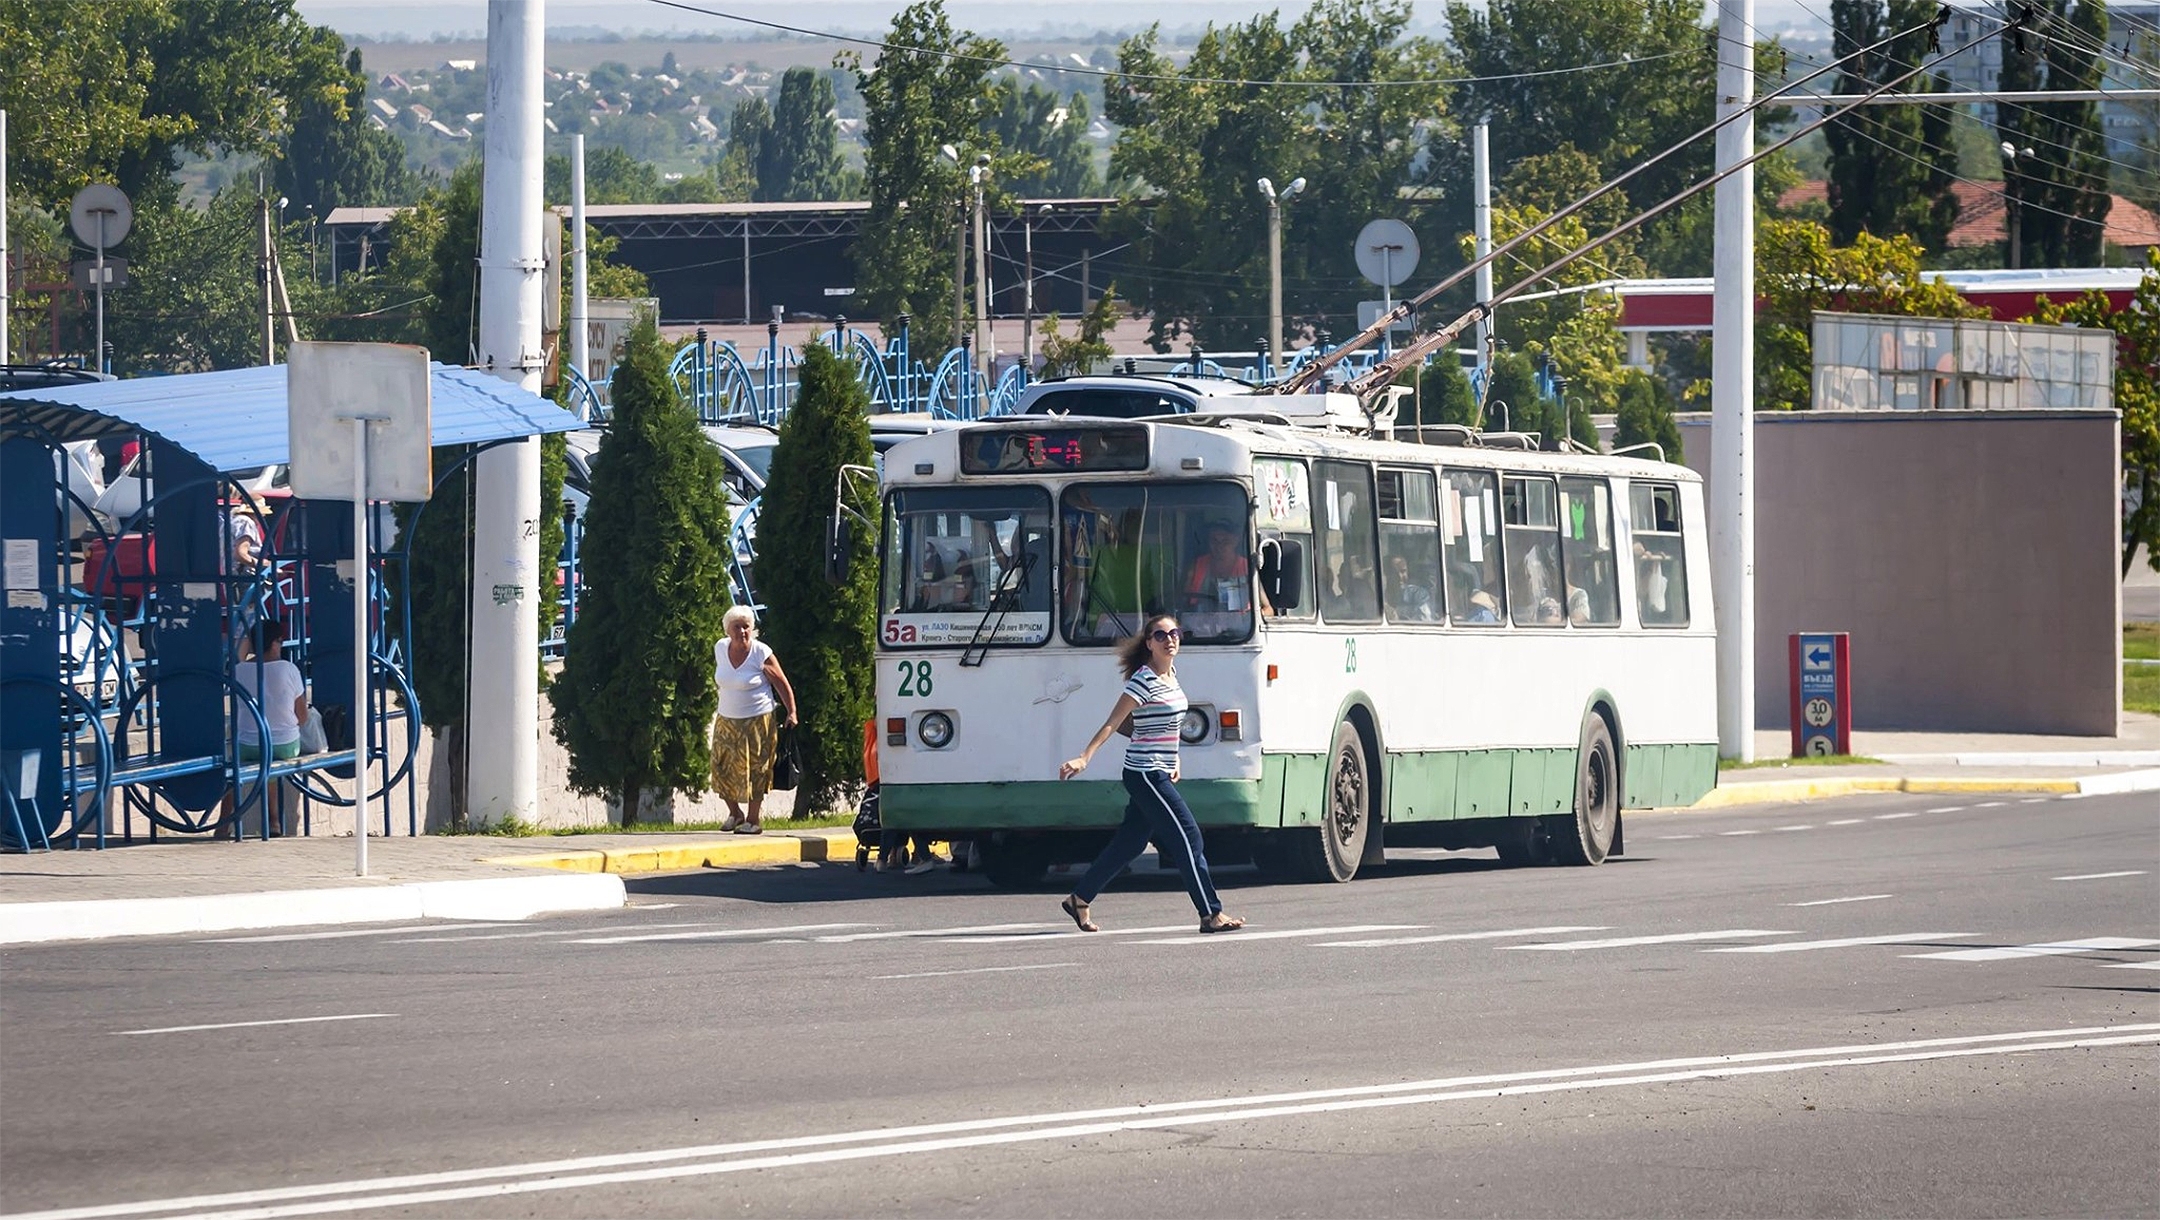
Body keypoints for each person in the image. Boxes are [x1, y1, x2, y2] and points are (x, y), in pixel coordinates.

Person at [1056, 613, 1245, 935]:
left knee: (1130, 843)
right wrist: (1085, 757)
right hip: (1144, 773)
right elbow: (1114, 722)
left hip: (1160, 769)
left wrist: (1175, 759)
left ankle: (1080, 898)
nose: (1169, 639)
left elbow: (1162, 726)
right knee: (1189, 838)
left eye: (1174, 633)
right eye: (1160, 635)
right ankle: (1211, 914)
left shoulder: (1171, 676)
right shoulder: (1143, 680)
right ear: (1149, 643)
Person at [710, 605, 799, 834]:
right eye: (736, 627)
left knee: (757, 769)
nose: (742, 631)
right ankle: (735, 813)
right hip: (727, 718)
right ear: (727, 630)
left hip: (758, 719)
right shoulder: (720, 648)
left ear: (752, 629)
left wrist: (792, 711)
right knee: (720, 767)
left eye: (746, 627)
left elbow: (781, 682)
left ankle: (753, 819)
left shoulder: (760, 652)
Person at [227, 619, 308, 835]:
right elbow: (303, 716)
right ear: (274, 643)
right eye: (280, 641)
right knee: (271, 754)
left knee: (237, 766)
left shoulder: (239, 670)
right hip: (284, 744)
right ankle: (273, 820)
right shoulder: (288, 669)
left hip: (246, 744)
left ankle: (223, 823)